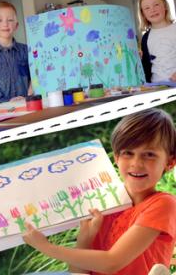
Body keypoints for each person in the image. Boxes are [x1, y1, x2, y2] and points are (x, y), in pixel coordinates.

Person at [23, 108, 176, 274]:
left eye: (149, 154)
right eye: (128, 153)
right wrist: (85, 240)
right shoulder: (104, 203)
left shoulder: (163, 204)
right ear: (116, 157)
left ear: (169, 162)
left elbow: (112, 262)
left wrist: (47, 248)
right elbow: (78, 272)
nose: (136, 163)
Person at [0, 0, 32, 106]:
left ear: (16, 25)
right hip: (0, 111)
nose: (5, 24)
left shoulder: (27, 50)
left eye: (10, 20)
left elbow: (37, 77)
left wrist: (31, 92)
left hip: (27, 106)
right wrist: (7, 102)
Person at [139, 0, 176, 83]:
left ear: (165, 6)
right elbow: (146, 66)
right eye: (147, 8)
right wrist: (138, 60)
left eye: (156, 5)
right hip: (156, 87)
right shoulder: (145, 38)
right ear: (143, 14)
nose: (152, 10)